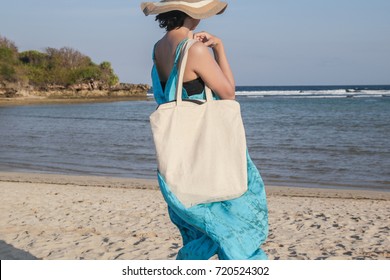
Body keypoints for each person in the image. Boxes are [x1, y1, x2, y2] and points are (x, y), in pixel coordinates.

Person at [141, 0, 268, 260]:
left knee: (200, 229)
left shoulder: (158, 48)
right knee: (236, 218)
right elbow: (228, 93)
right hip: (210, 151)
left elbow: (166, 95)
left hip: (182, 154)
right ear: (192, 15)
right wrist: (220, 48)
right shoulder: (195, 49)